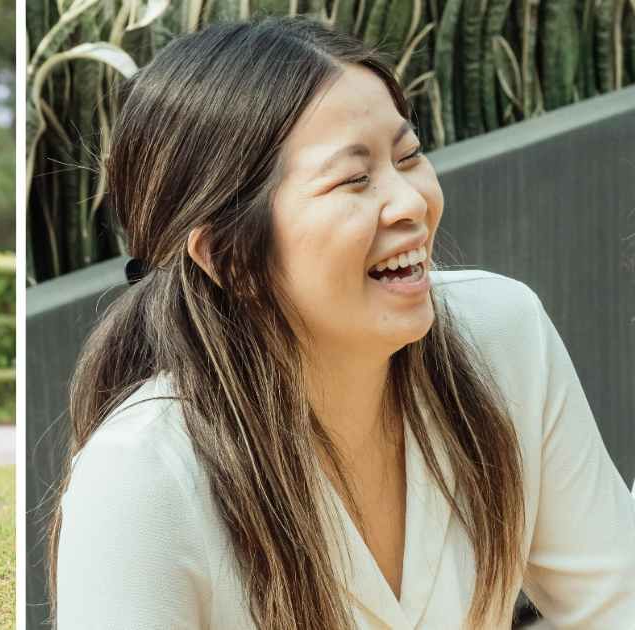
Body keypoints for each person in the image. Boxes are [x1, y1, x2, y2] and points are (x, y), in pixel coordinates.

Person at [51, 17, 635, 629]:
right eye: (353, 179)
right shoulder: (142, 477)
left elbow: (614, 607)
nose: (411, 203)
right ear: (226, 255)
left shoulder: (503, 335)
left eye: (408, 157)